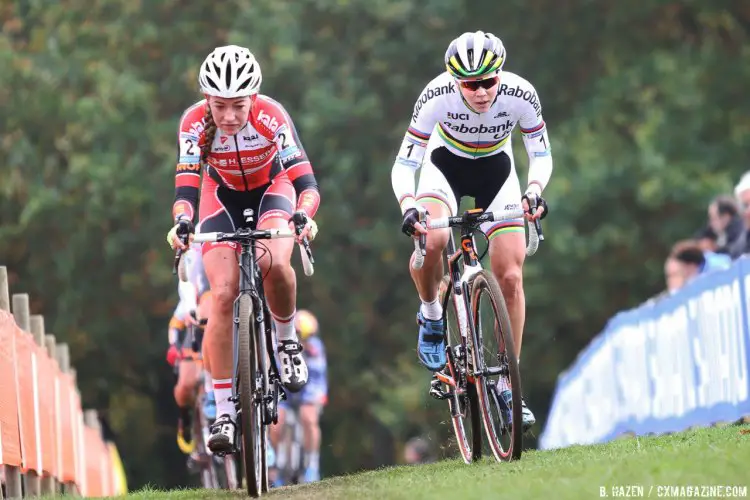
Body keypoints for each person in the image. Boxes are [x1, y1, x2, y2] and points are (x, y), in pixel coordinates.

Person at [390, 31, 552, 431]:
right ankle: (430, 313)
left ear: (500, 74)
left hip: (498, 173)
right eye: (470, 84)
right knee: (435, 241)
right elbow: (404, 164)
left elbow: (540, 153)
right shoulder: (435, 95)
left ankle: (506, 382)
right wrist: (408, 205)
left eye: (488, 81)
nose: (480, 92)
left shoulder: (521, 94)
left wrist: (534, 191)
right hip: (444, 167)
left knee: (511, 276)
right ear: (454, 81)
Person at [166, 45, 321, 455]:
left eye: (239, 106)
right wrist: (182, 221)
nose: (230, 116)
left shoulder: (272, 115)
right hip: (220, 196)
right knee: (220, 296)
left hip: (274, 189)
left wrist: (302, 216)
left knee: (274, 261)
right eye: (220, 106)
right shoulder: (193, 123)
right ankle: (223, 411)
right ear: (207, 100)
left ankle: (287, 343)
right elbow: (185, 187)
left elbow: (305, 184)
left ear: (253, 98)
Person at [269, 309, 328, 485]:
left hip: (309, 387)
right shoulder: (275, 342)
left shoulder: (315, 347)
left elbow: (318, 378)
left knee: (308, 418)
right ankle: (275, 465)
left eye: (306, 337)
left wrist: (315, 400)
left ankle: (312, 464)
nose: (303, 341)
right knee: (276, 423)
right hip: (283, 388)